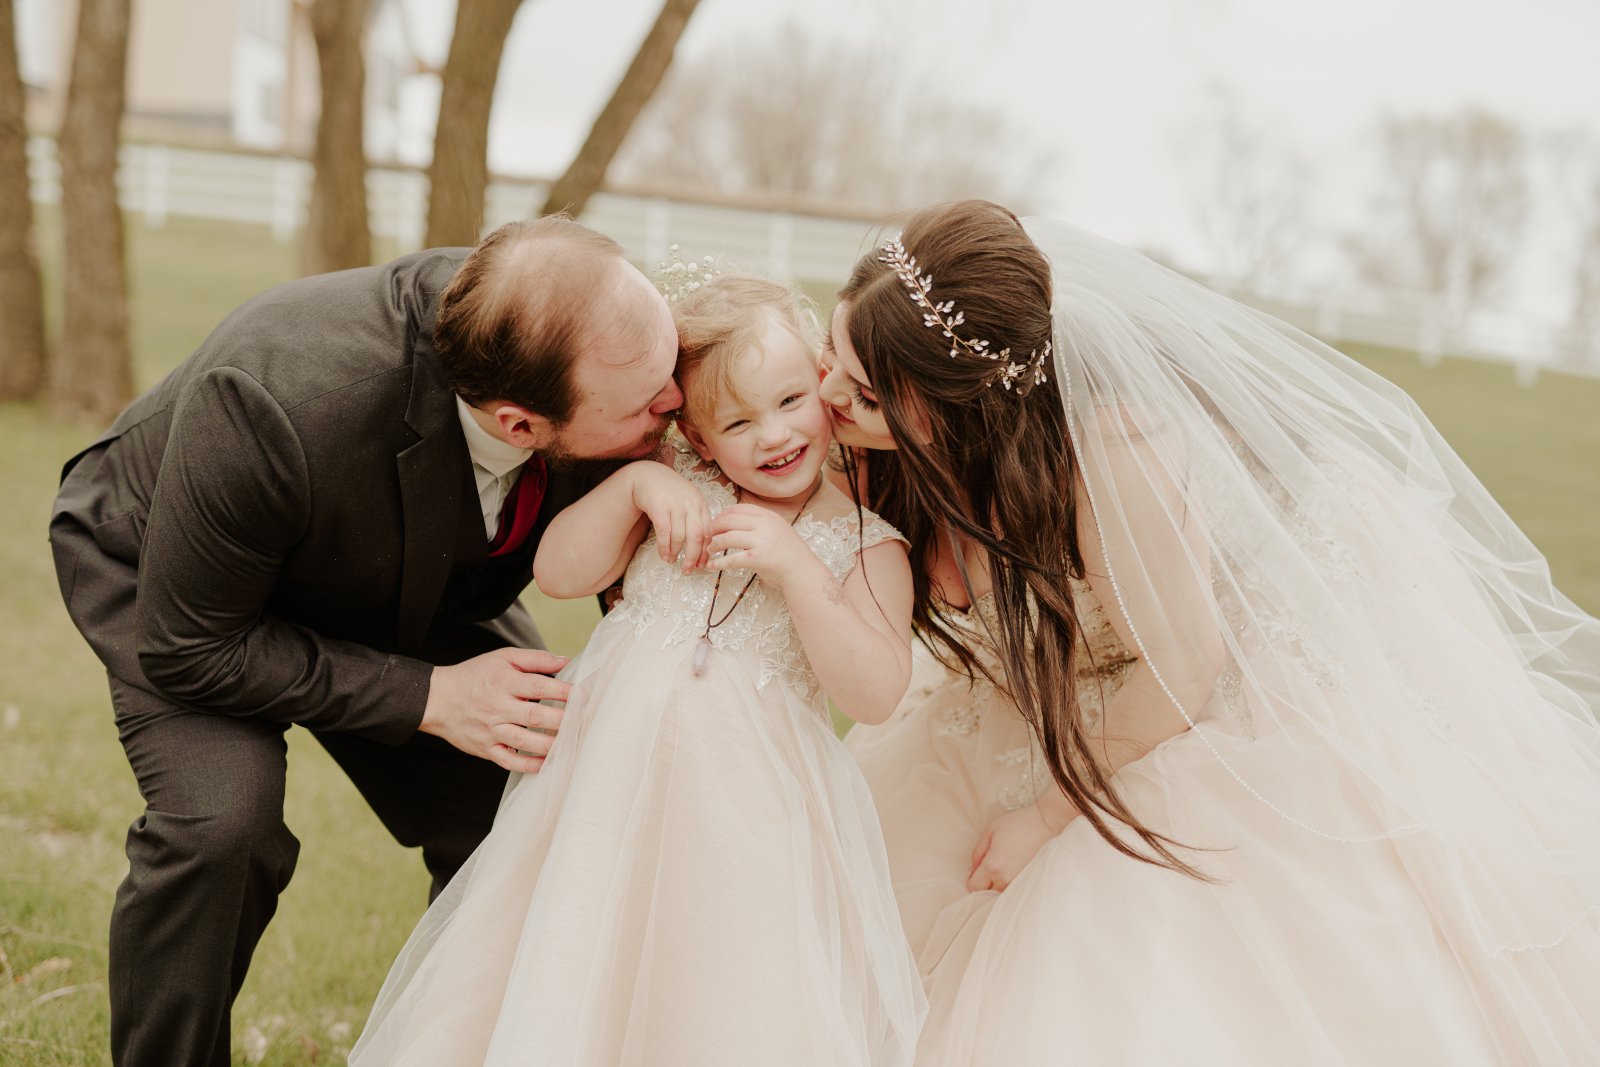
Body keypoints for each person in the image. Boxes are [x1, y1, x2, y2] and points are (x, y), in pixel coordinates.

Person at [820, 199, 1600, 1064]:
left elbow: (1183, 669)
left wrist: (1045, 815)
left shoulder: (1114, 452)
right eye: (831, 356)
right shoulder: (895, 439)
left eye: (864, 392)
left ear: (958, 402)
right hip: (1079, 671)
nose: (827, 397)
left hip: (1215, 675)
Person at [47, 217, 685, 1067]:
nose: (673, 400)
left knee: (532, 789)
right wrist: (433, 696)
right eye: (647, 406)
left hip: (411, 577)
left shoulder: (597, 347)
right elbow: (190, 646)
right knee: (222, 827)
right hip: (185, 593)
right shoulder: (274, 400)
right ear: (520, 424)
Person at [350, 274, 924, 1066]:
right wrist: (634, 488)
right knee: (580, 936)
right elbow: (557, 571)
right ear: (697, 436)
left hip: (744, 801)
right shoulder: (673, 484)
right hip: (606, 777)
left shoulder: (864, 542)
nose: (774, 435)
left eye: (791, 400)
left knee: (713, 968)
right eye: (738, 422)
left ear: (822, 383)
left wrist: (799, 571)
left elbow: (877, 691)